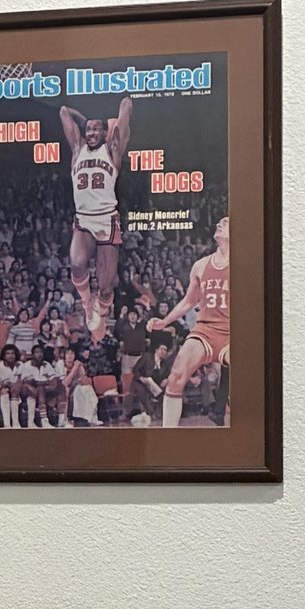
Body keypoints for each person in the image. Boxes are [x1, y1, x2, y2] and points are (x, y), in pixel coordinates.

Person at [59, 95, 133, 338]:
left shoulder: (112, 150)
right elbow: (63, 112)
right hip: (84, 219)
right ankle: (87, 303)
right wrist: (84, 120)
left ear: (104, 133)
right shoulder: (77, 150)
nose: (90, 133)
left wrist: (122, 106)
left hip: (107, 220)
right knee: (77, 263)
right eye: (88, 129)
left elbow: (126, 109)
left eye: (95, 129)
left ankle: (100, 313)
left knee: (106, 286)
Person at [151, 215, 231, 430]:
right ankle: (167, 437)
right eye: (219, 222)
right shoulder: (201, 265)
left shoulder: (245, 264)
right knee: (176, 375)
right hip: (204, 330)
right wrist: (164, 321)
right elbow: (188, 301)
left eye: (225, 222)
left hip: (233, 333)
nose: (218, 224)